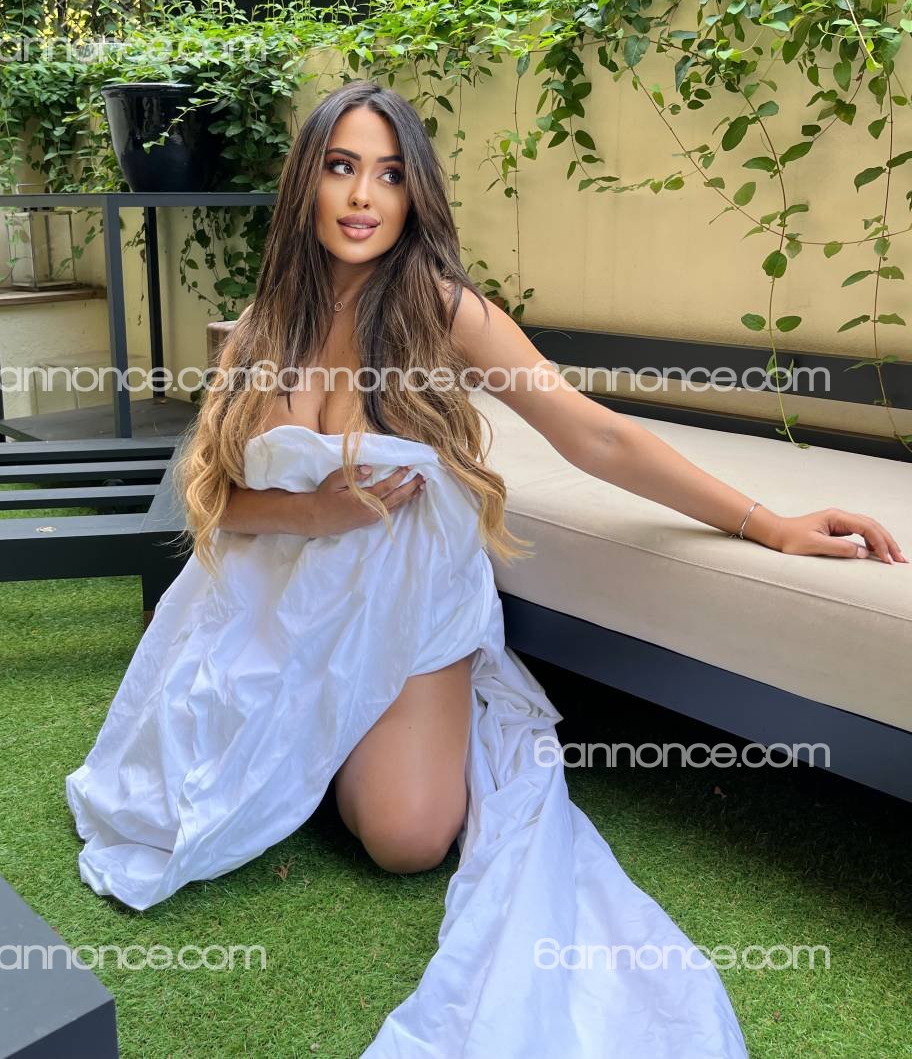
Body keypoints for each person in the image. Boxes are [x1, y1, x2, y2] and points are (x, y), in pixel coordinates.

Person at [66, 79, 904, 1057]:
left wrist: (770, 525)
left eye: (390, 174)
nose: (363, 196)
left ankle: (399, 716)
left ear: (415, 193)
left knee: (407, 838)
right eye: (341, 168)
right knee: (180, 798)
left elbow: (593, 436)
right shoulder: (262, 327)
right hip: (281, 600)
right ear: (306, 185)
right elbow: (216, 501)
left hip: (411, 602)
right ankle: (321, 722)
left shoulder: (441, 307)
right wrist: (316, 510)